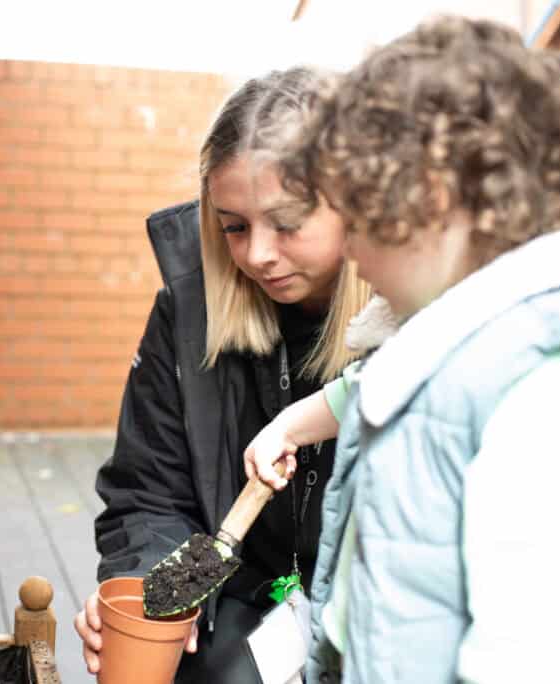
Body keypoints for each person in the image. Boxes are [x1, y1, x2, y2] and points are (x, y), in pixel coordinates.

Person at [248, 16, 560, 683]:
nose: (350, 248)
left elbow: (524, 659)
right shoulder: (458, 341)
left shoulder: (536, 398)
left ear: (436, 202)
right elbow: (372, 388)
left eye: (360, 216)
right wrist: (289, 425)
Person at [73, 67, 372, 682]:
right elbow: (147, 493)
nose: (257, 253)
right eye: (233, 226)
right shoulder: (188, 314)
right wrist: (149, 596)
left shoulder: (414, 331)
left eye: (286, 222)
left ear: (361, 207)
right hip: (236, 615)